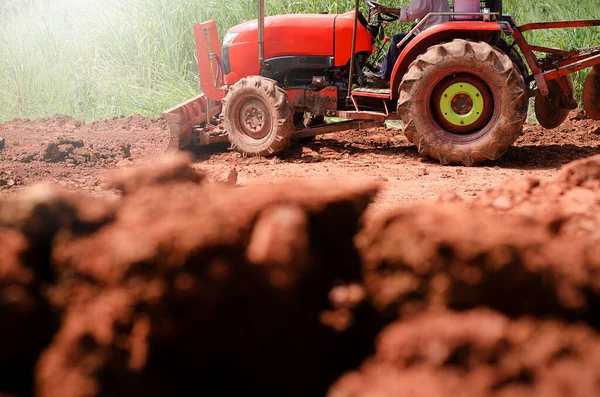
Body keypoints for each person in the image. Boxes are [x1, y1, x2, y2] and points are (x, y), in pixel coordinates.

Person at [367, 0, 452, 83]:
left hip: (432, 32)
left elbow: (411, 12)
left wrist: (388, 10)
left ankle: (385, 77)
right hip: (436, 27)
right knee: (404, 36)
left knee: (397, 40)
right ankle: (385, 69)